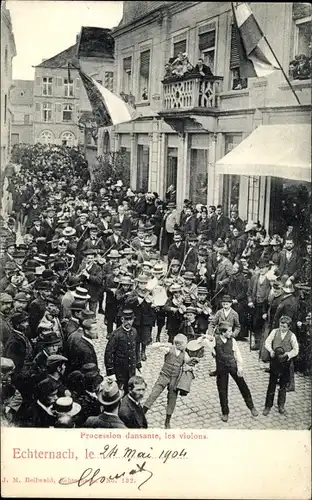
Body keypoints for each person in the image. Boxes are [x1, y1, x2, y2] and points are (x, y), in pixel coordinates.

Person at [200, 322, 258, 422]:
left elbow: (238, 355)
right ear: (223, 333)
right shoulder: (215, 340)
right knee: (222, 390)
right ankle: (225, 412)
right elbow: (205, 342)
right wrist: (205, 338)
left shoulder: (233, 341)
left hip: (232, 366)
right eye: (229, 331)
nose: (231, 333)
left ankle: (251, 406)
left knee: (243, 386)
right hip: (221, 368)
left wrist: (240, 368)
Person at [143, 334, 196, 429]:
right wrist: (162, 344)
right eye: (185, 343)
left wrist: (190, 366)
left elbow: (189, 363)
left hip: (175, 379)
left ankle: (167, 420)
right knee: (154, 393)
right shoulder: (169, 349)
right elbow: (155, 347)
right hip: (164, 376)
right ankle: (142, 413)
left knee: (172, 399)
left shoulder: (185, 354)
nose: (186, 345)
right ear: (179, 345)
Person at [263, 316, 299, 416]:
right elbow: (267, 342)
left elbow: (296, 350)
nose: (282, 328)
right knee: (272, 384)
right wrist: (270, 351)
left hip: (285, 362)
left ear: (288, 327)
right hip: (275, 361)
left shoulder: (292, 336)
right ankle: (268, 406)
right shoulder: (275, 332)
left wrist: (288, 354)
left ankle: (281, 405)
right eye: (281, 326)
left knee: (283, 385)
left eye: (284, 327)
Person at [104, 309, 141, 394]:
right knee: (119, 391)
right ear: (122, 320)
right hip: (120, 371)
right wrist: (111, 372)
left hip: (131, 369)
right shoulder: (116, 334)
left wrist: (138, 362)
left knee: (130, 390)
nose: (128, 322)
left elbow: (136, 347)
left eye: (130, 319)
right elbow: (109, 353)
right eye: (126, 319)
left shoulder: (134, 332)